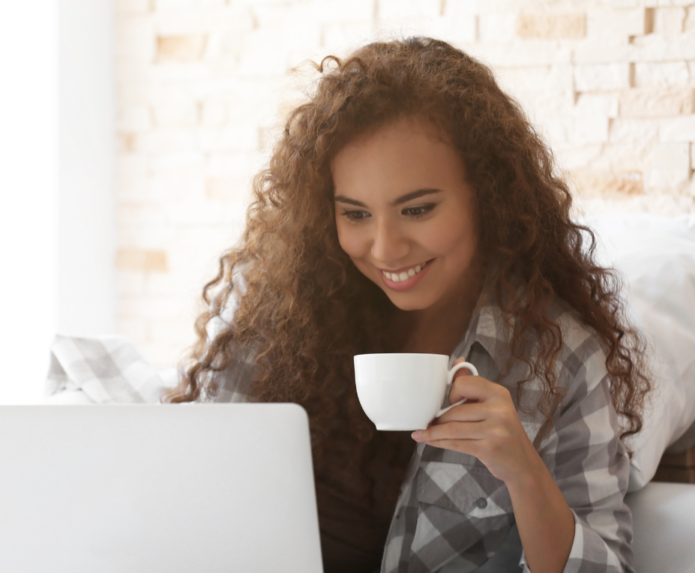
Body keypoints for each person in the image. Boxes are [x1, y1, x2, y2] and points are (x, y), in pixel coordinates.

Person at [164, 37, 651, 573]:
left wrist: (523, 471)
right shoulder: (277, 305)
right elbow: (193, 489)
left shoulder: (556, 355)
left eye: (416, 209)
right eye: (355, 214)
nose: (385, 249)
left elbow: (606, 567)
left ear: (487, 194)